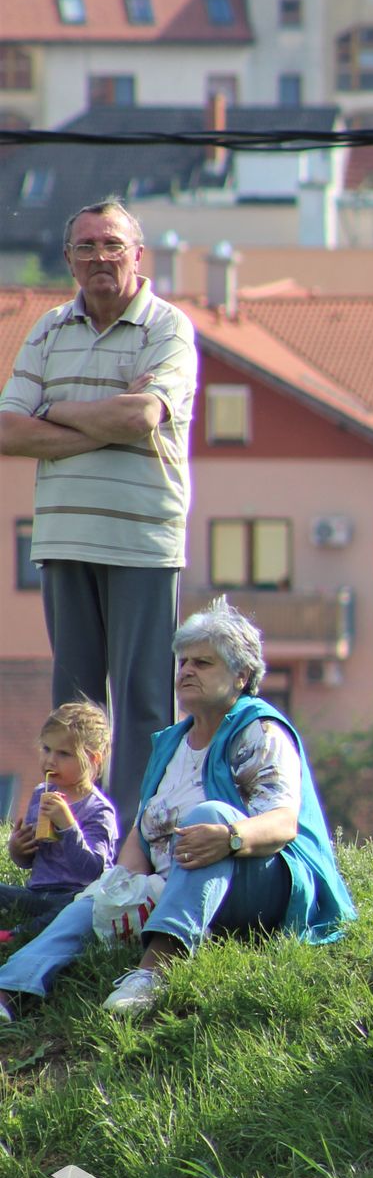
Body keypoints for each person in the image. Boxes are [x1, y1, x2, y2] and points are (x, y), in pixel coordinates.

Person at [0, 599, 355, 1024]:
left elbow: (282, 824)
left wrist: (229, 838)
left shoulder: (260, 729)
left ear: (241, 676)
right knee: (89, 902)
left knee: (207, 816)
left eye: (203, 663)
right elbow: (143, 831)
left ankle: (154, 971)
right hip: (173, 884)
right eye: (183, 661)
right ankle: (11, 987)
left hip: (259, 880)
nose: (186, 671)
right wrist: (122, 883)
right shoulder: (171, 742)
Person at [0, 198, 196, 826]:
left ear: (139, 255)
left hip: (142, 540)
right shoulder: (48, 329)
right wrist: (107, 419)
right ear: (69, 260)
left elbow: (143, 417)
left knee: (142, 702)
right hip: (63, 535)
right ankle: (73, 836)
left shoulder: (168, 327)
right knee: (75, 704)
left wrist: (53, 412)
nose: (100, 257)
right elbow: (7, 430)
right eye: (86, 247)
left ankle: (138, 839)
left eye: (113, 245)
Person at [2, 702, 122, 935]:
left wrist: (68, 825)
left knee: (74, 909)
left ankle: (18, 934)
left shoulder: (99, 810)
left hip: (75, 895)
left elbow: (92, 872)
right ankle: (25, 924)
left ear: (93, 760)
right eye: (46, 749)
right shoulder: (41, 792)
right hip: (37, 892)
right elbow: (35, 859)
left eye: (64, 754)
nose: (50, 760)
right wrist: (19, 850)